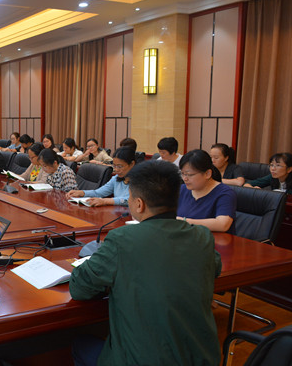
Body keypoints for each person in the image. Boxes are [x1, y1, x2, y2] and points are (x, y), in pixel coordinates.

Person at [70, 160, 221, 366]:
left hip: (140, 360)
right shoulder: (202, 236)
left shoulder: (122, 239)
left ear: (139, 204)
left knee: (80, 344)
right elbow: (214, 267)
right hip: (200, 359)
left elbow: (79, 289)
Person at [177, 149, 236, 233]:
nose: (185, 178)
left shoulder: (225, 193)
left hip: (213, 239)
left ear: (207, 174)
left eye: (189, 175)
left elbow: (223, 225)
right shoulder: (182, 189)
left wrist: (184, 221)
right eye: (182, 174)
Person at [66, 147, 135, 207]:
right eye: (114, 166)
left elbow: (129, 200)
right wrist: (82, 193)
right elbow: (98, 193)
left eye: (120, 166)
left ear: (132, 164)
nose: (116, 169)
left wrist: (105, 201)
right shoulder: (116, 179)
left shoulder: (139, 180)